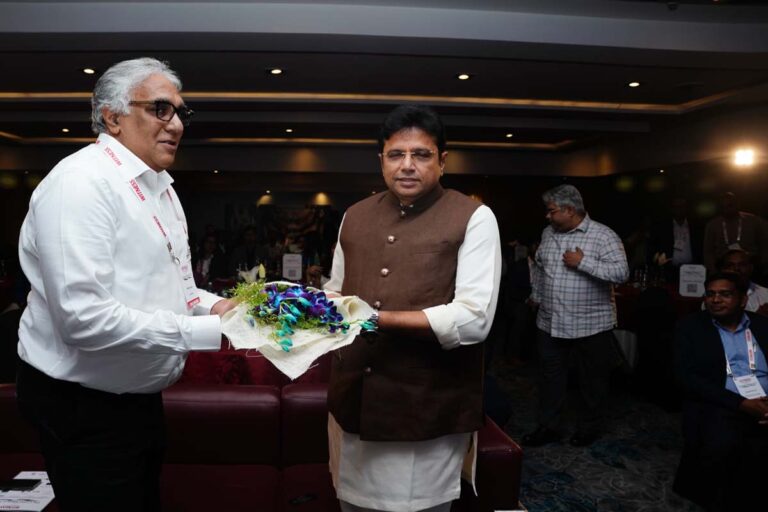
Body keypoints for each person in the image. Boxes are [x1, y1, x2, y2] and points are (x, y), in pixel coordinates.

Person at [15, 58, 236, 512]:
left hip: (136, 398)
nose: (176, 124)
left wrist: (219, 308)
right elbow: (83, 319)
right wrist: (211, 332)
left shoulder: (160, 188)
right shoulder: (81, 183)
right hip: (82, 404)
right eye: (160, 109)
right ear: (112, 117)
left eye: (180, 112)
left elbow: (178, 287)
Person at [324, 104, 501, 512]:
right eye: (396, 154)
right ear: (381, 160)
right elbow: (336, 292)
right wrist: (306, 309)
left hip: (427, 406)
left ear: (442, 161)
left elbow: (474, 320)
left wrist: (377, 319)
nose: (407, 165)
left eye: (421, 154)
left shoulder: (474, 217)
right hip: (353, 399)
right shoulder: (354, 215)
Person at [524, 184, 628, 447]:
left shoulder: (603, 235)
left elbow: (621, 273)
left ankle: (589, 428)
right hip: (549, 322)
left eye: (552, 211)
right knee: (550, 379)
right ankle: (549, 427)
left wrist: (583, 263)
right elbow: (540, 268)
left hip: (590, 325)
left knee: (592, 382)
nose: (547, 216)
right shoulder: (548, 233)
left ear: (570, 210)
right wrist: (537, 295)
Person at [673, 272, 768, 511]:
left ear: (743, 300)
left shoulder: (763, 326)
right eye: (711, 294)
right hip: (720, 402)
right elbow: (686, 377)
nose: (716, 300)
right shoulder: (691, 327)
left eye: (725, 294)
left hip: (765, 400)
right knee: (723, 442)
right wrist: (741, 404)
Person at [703, 191, 768, 275]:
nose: (726, 209)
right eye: (723, 207)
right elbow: (708, 251)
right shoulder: (713, 225)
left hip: (751, 266)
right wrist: (713, 270)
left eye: (730, 205)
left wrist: (763, 265)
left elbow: (764, 244)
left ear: (737, 204)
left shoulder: (754, 221)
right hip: (723, 266)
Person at [717, 249, 768, 315]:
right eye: (730, 265)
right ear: (722, 269)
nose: (736, 268)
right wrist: (758, 318)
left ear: (751, 268)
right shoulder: (714, 296)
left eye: (742, 265)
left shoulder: (765, 294)